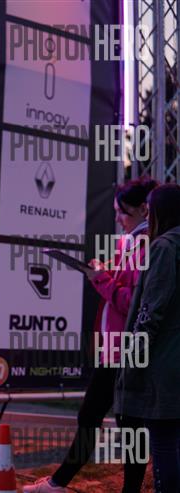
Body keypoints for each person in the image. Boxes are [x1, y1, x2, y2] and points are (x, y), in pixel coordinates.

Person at [24, 179, 157, 493]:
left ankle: (59, 483)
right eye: (116, 211)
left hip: (127, 349)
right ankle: (61, 482)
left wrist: (100, 280)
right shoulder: (130, 244)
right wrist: (102, 272)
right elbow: (123, 290)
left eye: (123, 212)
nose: (118, 218)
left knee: (117, 421)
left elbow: (134, 303)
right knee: (114, 420)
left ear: (144, 209)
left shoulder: (147, 246)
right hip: (117, 348)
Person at [115, 183, 180, 493]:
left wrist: (132, 365)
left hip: (163, 365)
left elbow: (150, 312)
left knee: (164, 442)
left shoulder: (163, 248)